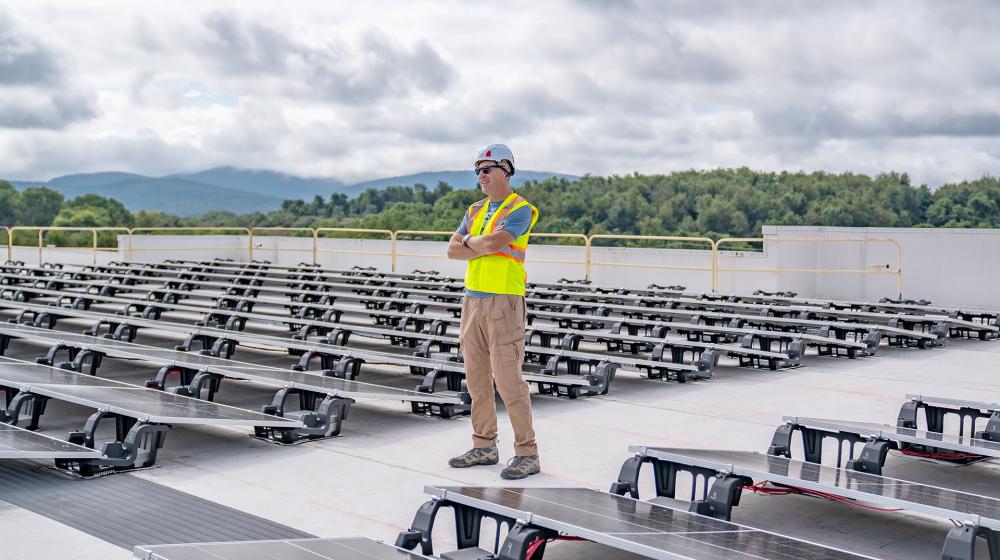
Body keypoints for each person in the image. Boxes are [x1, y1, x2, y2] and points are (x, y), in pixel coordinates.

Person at [445, 143, 540, 480]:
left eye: (487, 169)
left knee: (509, 380)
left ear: (506, 170)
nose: (481, 176)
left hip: (504, 302)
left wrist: (470, 242)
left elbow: (491, 245)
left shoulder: (521, 209)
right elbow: (451, 251)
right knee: (477, 379)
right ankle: (484, 446)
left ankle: (527, 452)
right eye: (478, 170)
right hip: (473, 302)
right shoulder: (474, 210)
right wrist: (474, 243)